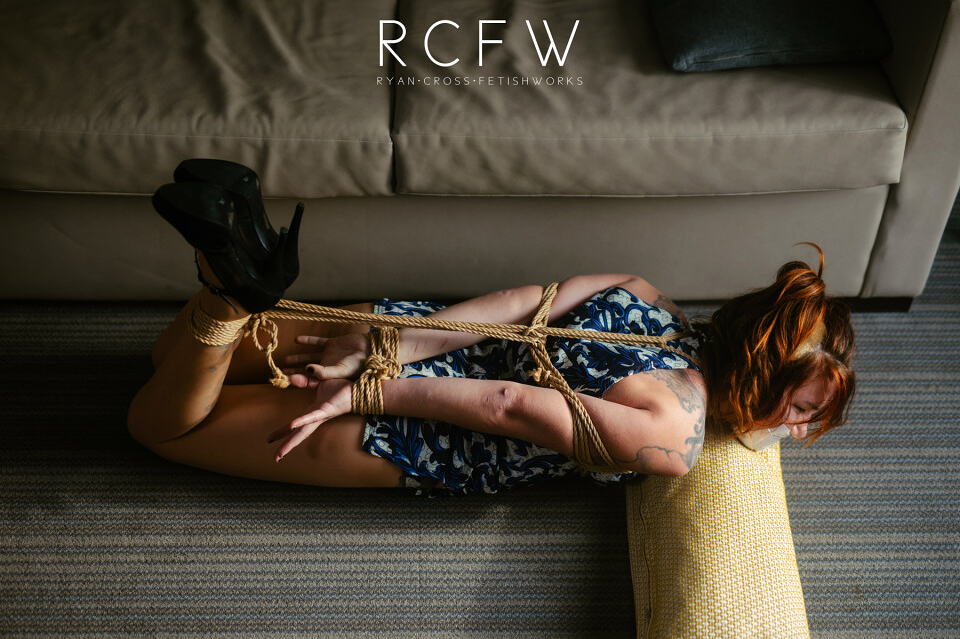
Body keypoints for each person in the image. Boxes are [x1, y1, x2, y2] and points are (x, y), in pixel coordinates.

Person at [127, 160, 856, 496]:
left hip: (419, 333)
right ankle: (229, 296)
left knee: (171, 355)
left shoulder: (648, 296)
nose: (797, 432)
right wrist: (369, 388)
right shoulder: (674, 435)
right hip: (417, 426)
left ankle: (233, 261)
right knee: (163, 426)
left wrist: (388, 343)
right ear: (763, 373)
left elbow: (515, 303)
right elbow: (508, 406)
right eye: (801, 410)